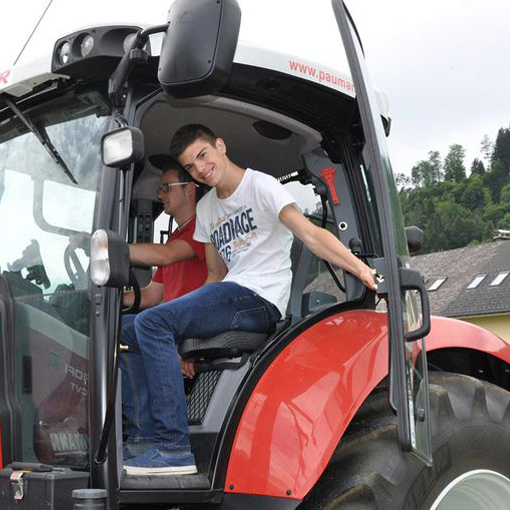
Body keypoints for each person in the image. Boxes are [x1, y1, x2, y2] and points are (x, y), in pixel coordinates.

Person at [122, 124, 377, 476]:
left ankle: (173, 449)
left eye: (203, 155)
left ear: (221, 146)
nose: (200, 168)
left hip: (261, 300)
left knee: (151, 322)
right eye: (192, 166)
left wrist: (362, 270)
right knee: (131, 328)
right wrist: (182, 334)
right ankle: (143, 439)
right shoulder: (209, 207)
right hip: (230, 293)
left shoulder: (261, 187)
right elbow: (213, 276)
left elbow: (312, 235)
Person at [120, 162, 207, 464]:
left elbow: (165, 256)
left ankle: (155, 440)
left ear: (190, 189)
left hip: (190, 327)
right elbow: (153, 294)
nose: (160, 195)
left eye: (166, 187)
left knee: (139, 327)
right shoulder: (174, 237)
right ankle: (141, 436)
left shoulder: (202, 229)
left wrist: (112, 248)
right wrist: (112, 299)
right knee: (120, 327)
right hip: (168, 325)